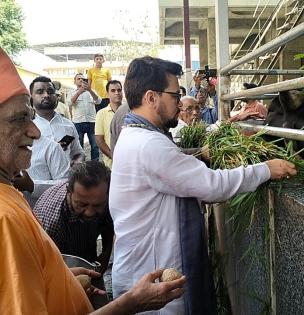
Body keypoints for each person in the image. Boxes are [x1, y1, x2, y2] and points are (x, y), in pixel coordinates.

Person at [0, 47, 185, 315]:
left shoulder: (11, 197)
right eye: (18, 119)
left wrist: (58, 278)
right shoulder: (6, 220)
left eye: (29, 117)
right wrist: (132, 303)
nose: (35, 131)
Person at [110, 56, 297, 314]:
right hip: (153, 284)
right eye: (175, 96)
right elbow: (211, 185)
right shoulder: (148, 145)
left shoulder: (136, 137)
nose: (180, 104)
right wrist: (265, 169)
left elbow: (180, 168)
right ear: (151, 98)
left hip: (144, 269)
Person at [34, 160, 114, 274]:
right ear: (69, 192)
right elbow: (42, 269)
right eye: (82, 204)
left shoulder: (106, 197)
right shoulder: (52, 221)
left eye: (97, 205)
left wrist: (105, 254)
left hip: (87, 258)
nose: (89, 212)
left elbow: (109, 224)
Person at [30, 76, 85, 166]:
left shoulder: (68, 125)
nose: (46, 95)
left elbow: (78, 153)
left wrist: (78, 162)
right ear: (31, 96)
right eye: (40, 92)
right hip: (35, 180)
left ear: (56, 95)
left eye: (50, 91)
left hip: (66, 179)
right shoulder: (25, 128)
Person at [69, 73, 101, 161]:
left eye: (83, 79)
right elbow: (70, 103)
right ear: (75, 81)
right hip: (78, 123)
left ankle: (95, 165)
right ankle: (81, 166)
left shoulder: (91, 91)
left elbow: (98, 101)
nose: (81, 80)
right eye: (78, 79)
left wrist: (90, 90)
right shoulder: (72, 92)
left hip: (92, 122)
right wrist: (79, 92)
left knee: (95, 146)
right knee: (79, 147)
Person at [95, 80, 123, 168]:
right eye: (113, 90)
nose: (117, 93)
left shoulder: (130, 111)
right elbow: (99, 140)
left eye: (119, 90)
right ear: (107, 94)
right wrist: (113, 156)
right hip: (110, 165)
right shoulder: (101, 113)